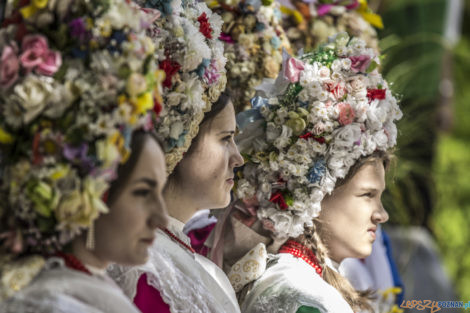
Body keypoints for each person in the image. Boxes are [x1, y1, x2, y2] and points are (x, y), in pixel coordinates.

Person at [213, 33, 403, 313]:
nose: (381, 214)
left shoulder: (311, 281)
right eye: (367, 195)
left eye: (378, 196)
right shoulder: (294, 292)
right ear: (314, 197)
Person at [0, 1, 169, 311]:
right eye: (143, 192)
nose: (160, 217)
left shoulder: (87, 292)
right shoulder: (52, 303)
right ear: (88, 190)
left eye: (159, 191)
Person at [108, 1, 244, 312]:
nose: (238, 158)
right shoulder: (139, 265)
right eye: (225, 139)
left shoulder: (205, 269)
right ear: (180, 142)